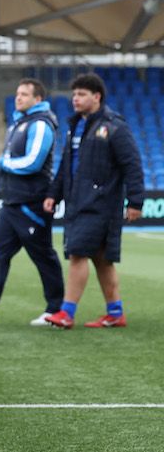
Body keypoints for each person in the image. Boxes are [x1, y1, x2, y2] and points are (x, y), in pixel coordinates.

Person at [44, 73, 145, 329]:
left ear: (96, 97)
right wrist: (53, 194)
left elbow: (131, 163)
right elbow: (66, 166)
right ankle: (115, 312)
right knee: (102, 259)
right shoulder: (75, 125)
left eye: (81, 95)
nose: (75, 99)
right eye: (74, 94)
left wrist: (135, 201)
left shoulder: (114, 126)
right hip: (78, 203)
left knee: (77, 253)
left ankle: (66, 313)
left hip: (101, 203)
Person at [0, 78, 65, 326]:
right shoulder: (19, 122)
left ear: (37, 99)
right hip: (11, 203)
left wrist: (1, 162)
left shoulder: (41, 124)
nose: (18, 98)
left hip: (32, 202)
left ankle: (55, 309)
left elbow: (33, 162)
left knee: (43, 255)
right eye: (17, 93)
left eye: (24, 94)